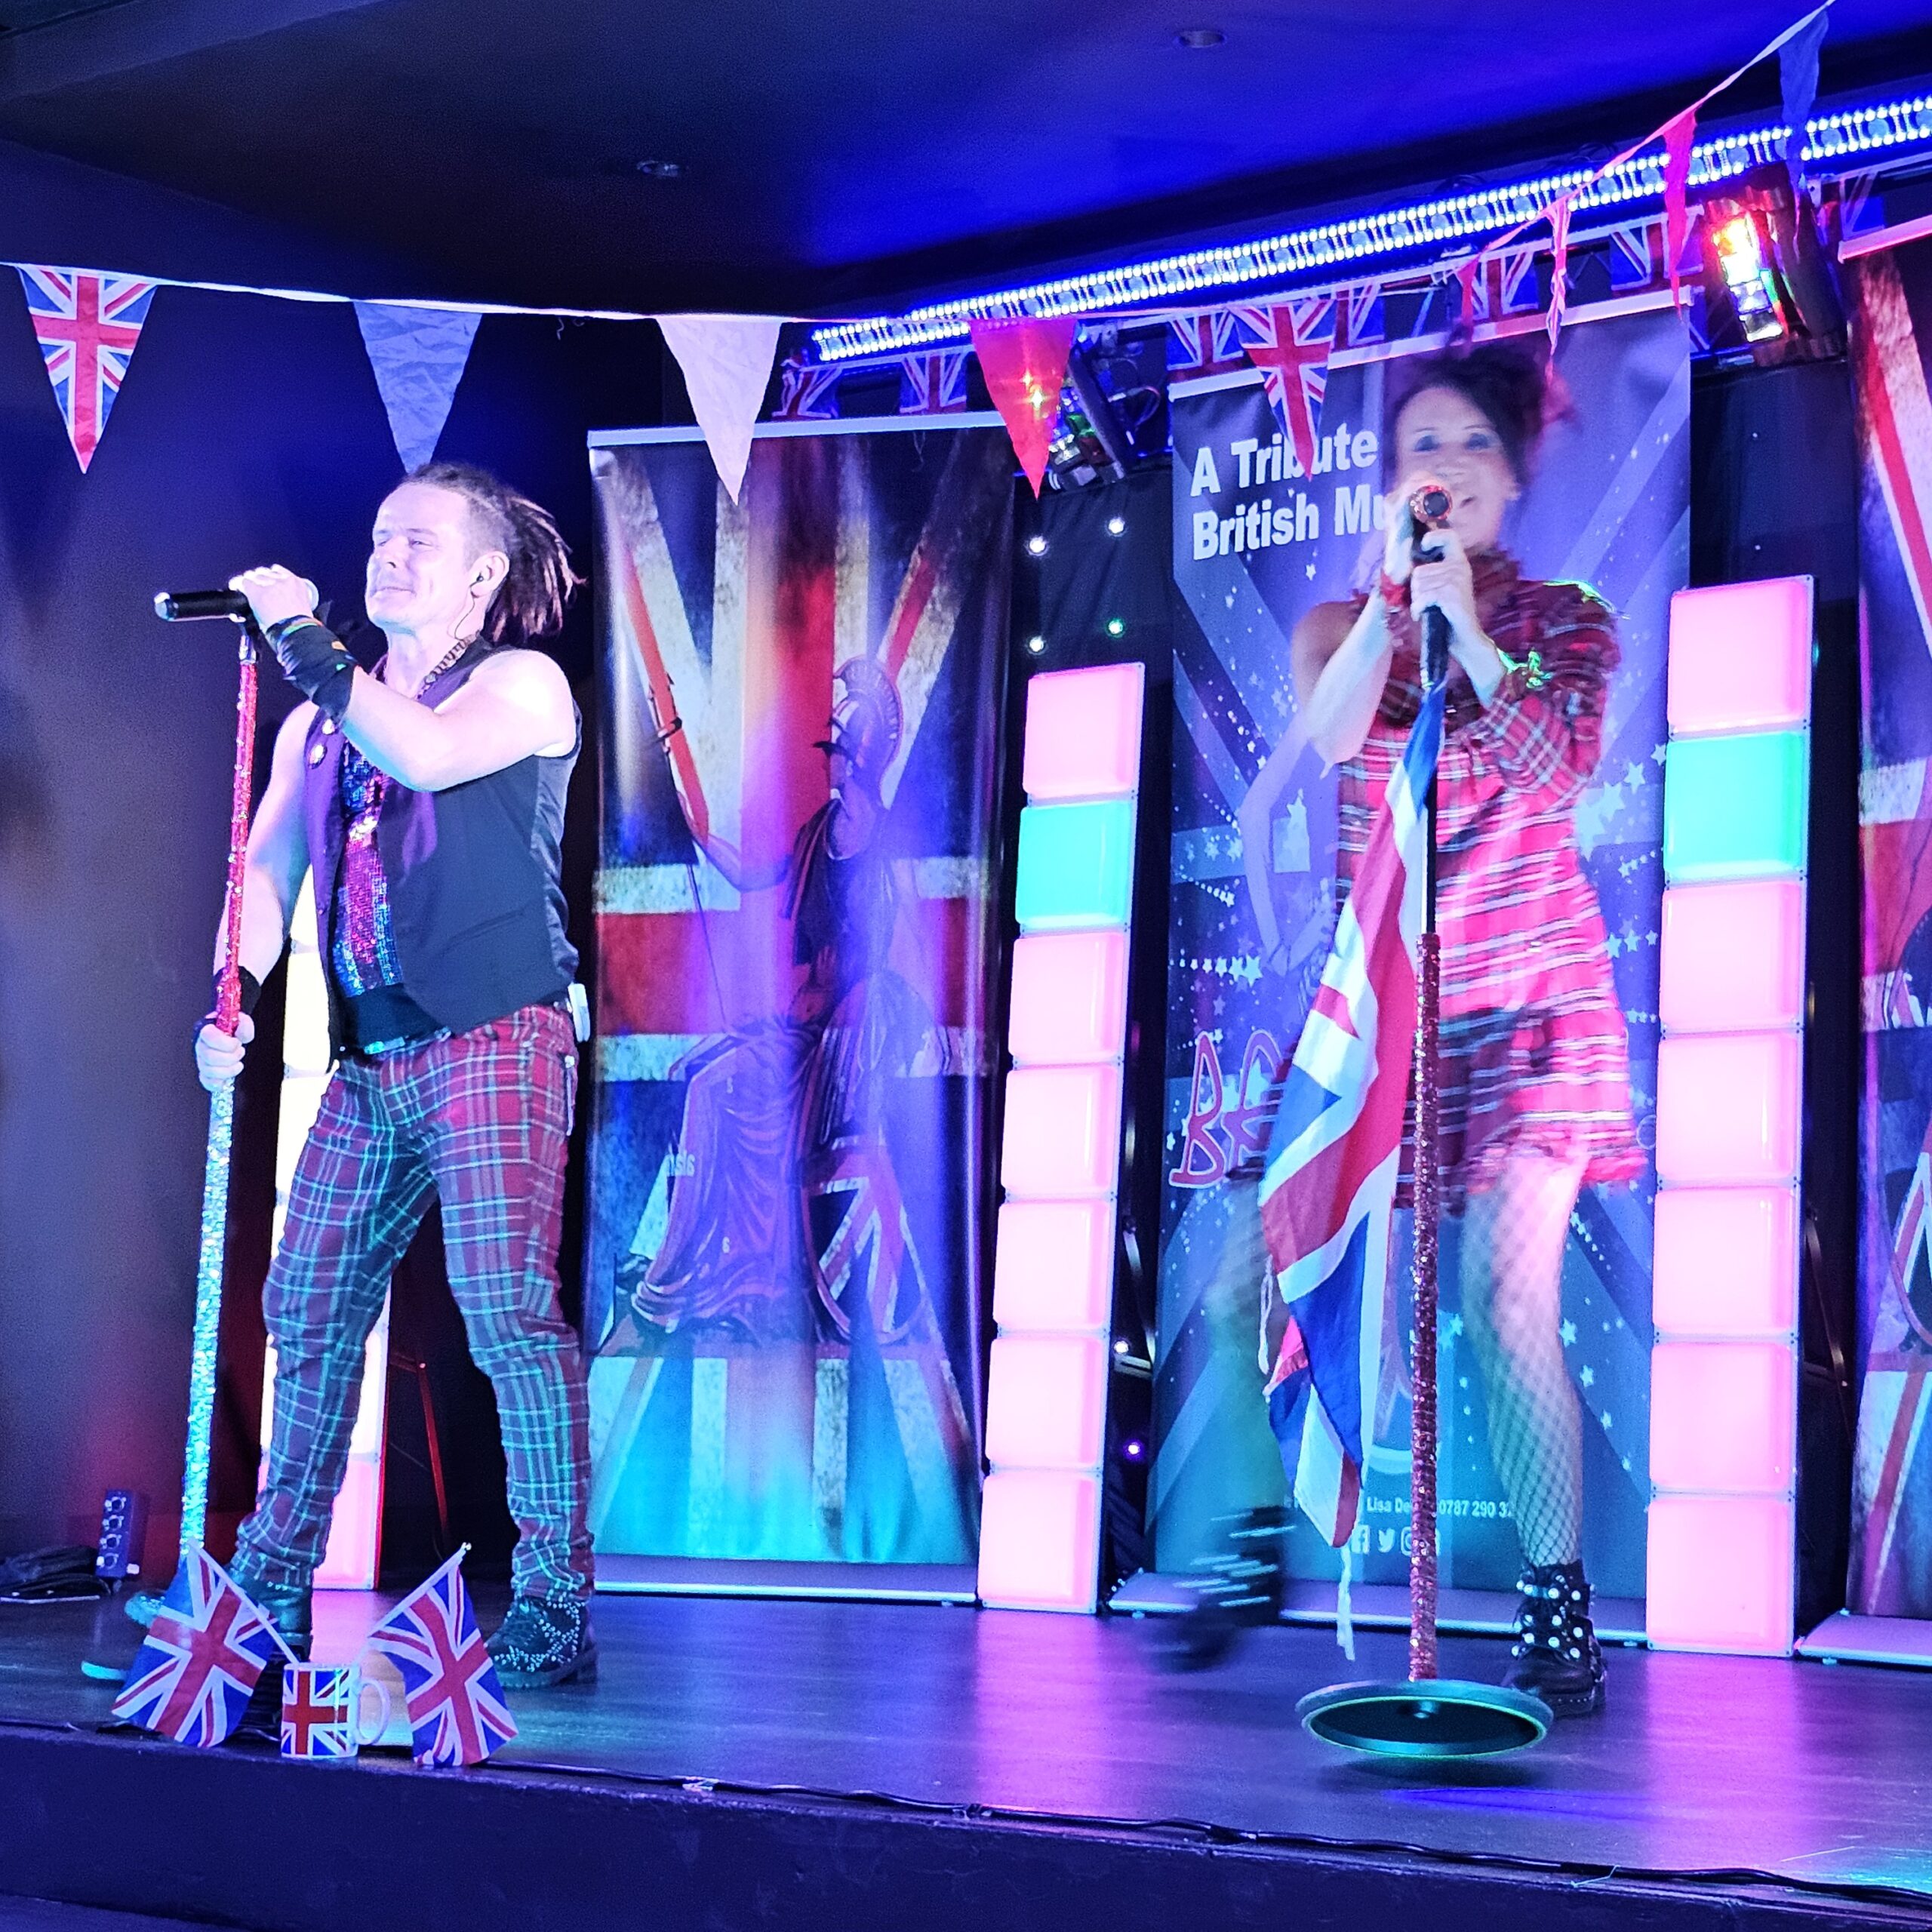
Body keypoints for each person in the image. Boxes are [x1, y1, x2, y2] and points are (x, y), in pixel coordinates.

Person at [1254, 344, 1640, 1715]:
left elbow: (1553, 768)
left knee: (1504, 1289)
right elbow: (1333, 735)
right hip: (1400, 1019)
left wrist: (1470, 626)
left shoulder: (1566, 622)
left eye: (1473, 442)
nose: (1448, 467)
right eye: (1422, 443)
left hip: (1531, 1012)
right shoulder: (1339, 622)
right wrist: (1391, 605)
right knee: (1319, 1279)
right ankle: (1268, 1546)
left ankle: (1557, 1607)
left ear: (1514, 473)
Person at [190, 460, 595, 1690]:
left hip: (494, 1037)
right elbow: (267, 875)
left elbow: (423, 755)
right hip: (370, 1058)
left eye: (420, 540)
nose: (390, 554)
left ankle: (553, 1601)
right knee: (305, 1307)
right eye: (380, 535)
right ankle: (266, 1587)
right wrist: (231, 995)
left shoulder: (518, 684)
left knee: (505, 1308)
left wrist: (303, 641)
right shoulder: (321, 721)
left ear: (482, 575)